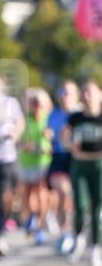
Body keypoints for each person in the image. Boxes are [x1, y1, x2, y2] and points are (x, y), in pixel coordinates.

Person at [62, 80, 102, 266]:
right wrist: (70, 146)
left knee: (97, 208)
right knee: (80, 205)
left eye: (91, 92)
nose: (87, 96)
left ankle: (96, 248)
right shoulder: (75, 117)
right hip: (80, 165)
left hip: (99, 165)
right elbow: (64, 136)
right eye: (84, 92)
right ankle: (78, 238)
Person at [0, 73, 24, 257]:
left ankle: (2, 227)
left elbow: (19, 122)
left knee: (6, 194)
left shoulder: (10, 102)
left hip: (7, 156)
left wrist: (15, 135)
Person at [47, 80, 80, 253]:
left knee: (76, 198)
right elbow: (49, 135)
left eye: (68, 92)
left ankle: (76, 228)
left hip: (78, 158)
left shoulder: (81, 114)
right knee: (63, 193)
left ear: (76, 95)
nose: (64, 96)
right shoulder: (54, 114)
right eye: (62, 92)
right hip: (59, 157)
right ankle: (65, 231)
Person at [17, 89, 52, 245]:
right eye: (34, 103)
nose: (37, 106)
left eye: (39, 104)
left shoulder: (48, 120)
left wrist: (49, 141)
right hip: (27, 162)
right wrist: (26, 146)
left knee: (41, 192)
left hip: (43, 162)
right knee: (27, 194)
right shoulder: (25, 120)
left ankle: (40, 224)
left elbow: (56, 141)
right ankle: (31, 219)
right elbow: (18, 141)